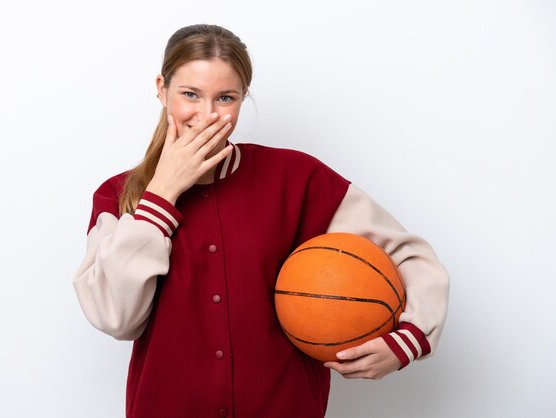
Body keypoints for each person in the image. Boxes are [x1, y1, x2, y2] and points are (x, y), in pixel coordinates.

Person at [73, 24, 449, 418]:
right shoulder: (118, 194)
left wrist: (410, 339)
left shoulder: (296, 178)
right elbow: (114, 318)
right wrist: (162, 194)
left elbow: (408, 254)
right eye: (190, 94)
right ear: (161, 89)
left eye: (226, 98)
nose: (207, 115)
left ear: (242, 98)